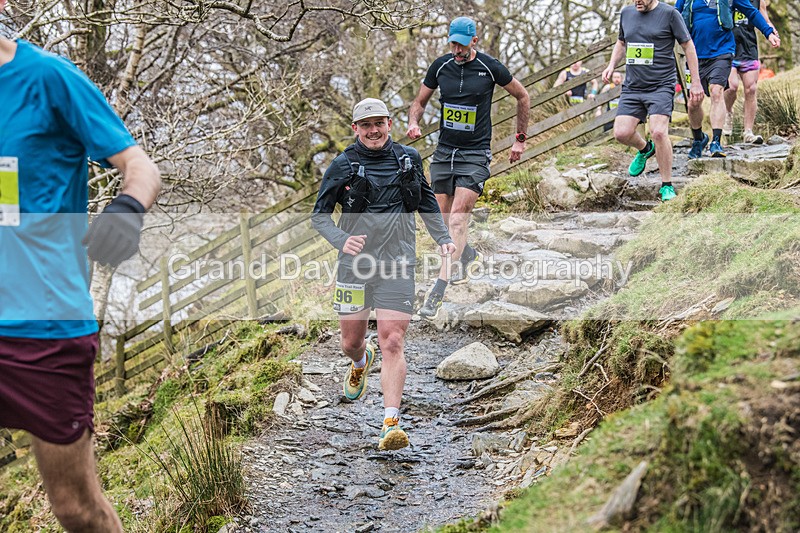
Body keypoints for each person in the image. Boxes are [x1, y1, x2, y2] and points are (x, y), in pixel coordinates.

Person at [0, 0, 161, 529]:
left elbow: (139, 165)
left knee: (75, 508)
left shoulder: (48, 79)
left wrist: (128, 208)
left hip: (43, 324)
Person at [311, 98, 455, 450]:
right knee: (350, 342)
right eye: (366, 125)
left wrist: (443, 237)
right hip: (355, 267)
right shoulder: (343, 165)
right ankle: (361, 360)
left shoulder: (408, 158)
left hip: (398, 262)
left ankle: (391, 423)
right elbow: (319, 215)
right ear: (355, 129)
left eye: (379, 123)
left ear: (389, 123)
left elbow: (424, 200)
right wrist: (341, 240)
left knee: (392, 340)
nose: (373, 130)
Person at [406, 16, 530, 320]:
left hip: (475, 153)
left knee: (458, 222)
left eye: (462, 43)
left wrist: (520, 139)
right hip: (445, 152)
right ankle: (467, 253)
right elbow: (419, 102)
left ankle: (438, 288)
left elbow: (522, 96)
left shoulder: (490, 67)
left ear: (474, 41)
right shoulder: (440, 66)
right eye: (453, 43)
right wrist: (413, 121)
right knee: (439, 222)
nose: (457, 49)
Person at [603, 0, 704, 202]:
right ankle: (645, 149)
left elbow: (688, 45)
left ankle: (666, 185)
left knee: (658, 132)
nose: (637, 1)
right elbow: (621, 42)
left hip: (661, 85)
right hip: (633, 86)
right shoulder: (627, 13)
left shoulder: (670, 14)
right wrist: (611, 65)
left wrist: (695, 82)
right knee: (621, 133)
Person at [675, 0, 779, 158]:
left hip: (722, 51)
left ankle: (716, 141)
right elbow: (673, 16)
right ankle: (698, 139)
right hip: (694, 54)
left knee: (717, 91)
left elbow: (751, 11)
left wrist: (768, 32)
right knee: (694, 102)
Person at [723, 0, 777, 144]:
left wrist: (772, 31)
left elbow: (764, 19)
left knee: (751, 89)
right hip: (728, 47)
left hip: (749, 47)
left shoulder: (759, 1)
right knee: (731, 86)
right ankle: (728, 112)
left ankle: (748, 132)